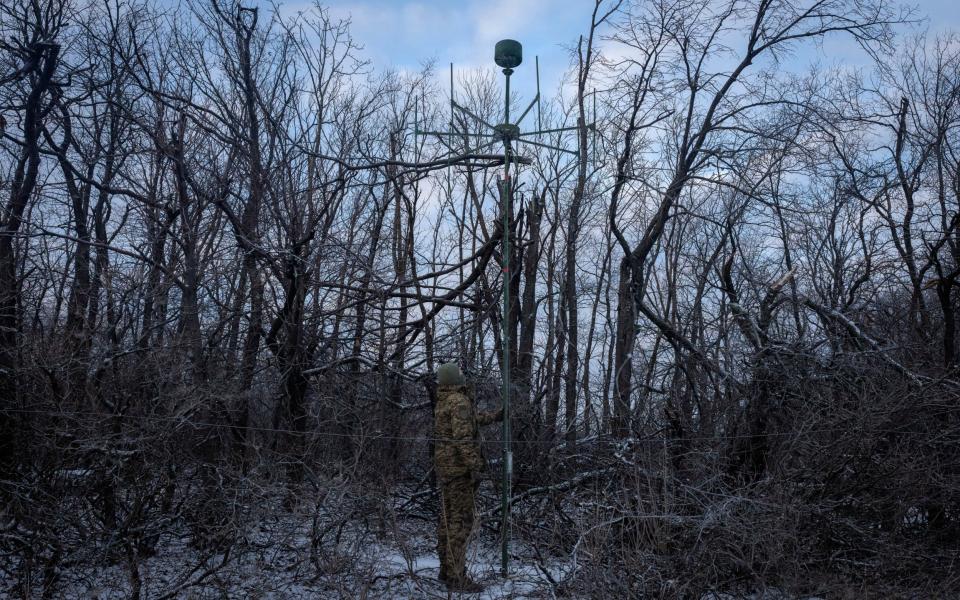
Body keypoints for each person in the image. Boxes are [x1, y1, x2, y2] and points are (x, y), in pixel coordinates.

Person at [433, 362, 502, 592]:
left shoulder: (445, 400)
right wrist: (476, 466)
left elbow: (470, 421)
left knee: (448, 520)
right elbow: (463, 439)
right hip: (460, 471)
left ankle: (445, 572)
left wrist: (496, 416)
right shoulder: (459, 401)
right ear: (455, 378)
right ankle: (456, 577)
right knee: (460, 523)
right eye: (461, 374)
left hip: (446, 470)